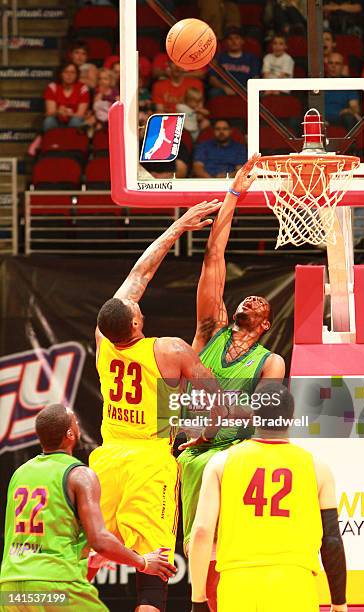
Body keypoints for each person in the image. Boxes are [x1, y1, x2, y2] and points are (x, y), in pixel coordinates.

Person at [89, 198, 229, 612]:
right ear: (135, 323)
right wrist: (204, 433)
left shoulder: (103, 342)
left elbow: (138, 275)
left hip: (107, 460)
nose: (137, 302)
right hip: (151, 462)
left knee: (87, 556)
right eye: (135, 308)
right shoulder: (169, 350)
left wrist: (176, 228)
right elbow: (215, 398)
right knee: (155, 568)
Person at [178, 155, 285, 611]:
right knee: (201, 549)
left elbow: (265, 415)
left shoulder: (270, 362)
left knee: (232, 553)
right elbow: (213, 258)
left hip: (235, 456)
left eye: (260, 303)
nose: (252, 298)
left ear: (265, 324)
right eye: (246, 298)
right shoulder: (209, 331)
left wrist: (213, 418)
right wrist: (234, 195)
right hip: (196, 455)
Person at [0, 404, 176, 612]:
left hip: (11, 587)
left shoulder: (20, 474)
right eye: (74, 420)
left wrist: (91, 559)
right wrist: (143, 561)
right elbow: (100, 540)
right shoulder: (79, 474)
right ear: (70, 433)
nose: (78, 424)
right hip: (55, 584)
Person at [189, 383, 348, 612]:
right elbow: (332, 540)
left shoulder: (221, 462)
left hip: (238, 585)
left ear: (253, 416)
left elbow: (202, 531)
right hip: (294, 584)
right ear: (291, 419)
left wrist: (198, 599)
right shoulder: (317, 468)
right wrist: (339, 602)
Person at [209, 27, 260, 98]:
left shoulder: (251, 58)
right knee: (214, 92)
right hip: (224, 89)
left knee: (258, 94)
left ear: (242, 41)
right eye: (230, 39)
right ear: (226, 42)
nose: (234, 41)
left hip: (245, 89)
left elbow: (255, 78)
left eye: (237, 38)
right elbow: (212, 79)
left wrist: (247, 90)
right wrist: (224, 88)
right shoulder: (219, 57)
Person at [43, 62, 90, 132]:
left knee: (75, 121)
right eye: (66, 72)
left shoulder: (82, 88)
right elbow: (49, 112)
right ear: (61, 74)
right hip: (57, 119)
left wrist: (69, 114)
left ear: (77, 75)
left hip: (75, 118)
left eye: (72, 72)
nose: (69, 75)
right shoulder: (52, 87)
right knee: (49, 121)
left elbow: (81, 114)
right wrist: (58, 112)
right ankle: (51, 142)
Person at [324, 53, 361, 130]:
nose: (333, 66)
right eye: (331, 63)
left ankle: (351, 142)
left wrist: (348, 110)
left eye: (337, 63)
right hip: (321, 118)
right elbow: (312, 106)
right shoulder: (318, 82)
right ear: (327, 65)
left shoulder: (348, 83)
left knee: (349, 118)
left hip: (341, 119)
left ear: (342, 67)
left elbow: (355, 107)